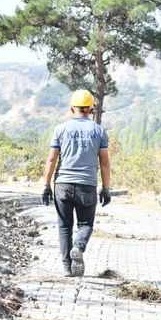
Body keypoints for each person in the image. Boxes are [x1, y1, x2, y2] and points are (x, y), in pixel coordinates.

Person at [41, 89, 111, 277]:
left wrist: (46, 185)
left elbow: (51, 159)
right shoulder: (99, 131)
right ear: (90, 110)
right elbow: (104, 162)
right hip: (87, 185)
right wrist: (106, 188)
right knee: (85, 224)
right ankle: (79, 246)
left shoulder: (61, 129)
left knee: (64, 226)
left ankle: (67, 268)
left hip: (62, 184)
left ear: (72, 108)